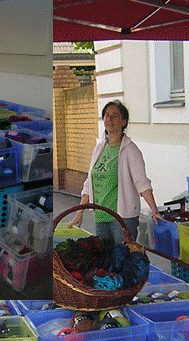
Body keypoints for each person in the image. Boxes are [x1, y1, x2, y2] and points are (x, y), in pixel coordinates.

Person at [69, 100, 162, 243]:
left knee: (122, 260)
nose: (109, 119)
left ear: (123, 122)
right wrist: (79, 213)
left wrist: (154, 211)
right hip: (100, 216)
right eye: (107, 116)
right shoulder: (99, 149)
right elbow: (89, 183)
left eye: (115, 116)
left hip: (122, 218)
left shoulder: (130, 150)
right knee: (105, 260)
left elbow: (142, 183)